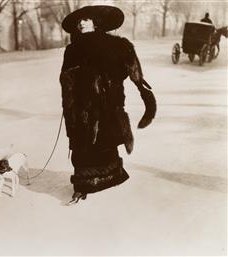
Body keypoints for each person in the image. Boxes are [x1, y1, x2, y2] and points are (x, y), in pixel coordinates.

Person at [59, 5, 156, 205]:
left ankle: (110, 177)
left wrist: (145, 95)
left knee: (105, 141)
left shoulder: (116, 45)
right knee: (84, 147)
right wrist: (69, 108)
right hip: (82, 108)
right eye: (79, 21)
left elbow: (133, 71)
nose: (81, 23)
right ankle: (83, 186)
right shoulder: (73, 49)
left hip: (108, 106)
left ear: (96, 22)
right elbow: (66, 81)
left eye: (85, 19)